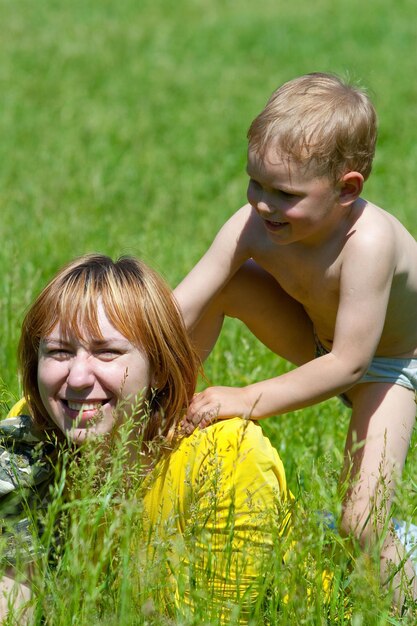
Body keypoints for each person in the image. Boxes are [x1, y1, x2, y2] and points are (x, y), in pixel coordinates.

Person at [175, 72, 417, 609]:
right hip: (318, 341)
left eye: (284, 193)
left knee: (361, 522)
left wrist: (244, 399)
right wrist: (117, 345)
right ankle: (166, 407)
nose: (263, 204)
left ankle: (402, 604)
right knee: (229, 283)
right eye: (255, 183)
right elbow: (183, 303)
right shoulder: (256, 223)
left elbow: (352, 365)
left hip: (389, 366)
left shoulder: (369, 242)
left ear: (347, 190)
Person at [0, 254, 291, 624]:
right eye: (59, 351)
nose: (76, 378)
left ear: (158, 368)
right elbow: (12, 598)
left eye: (107, 352)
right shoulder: (29, 432)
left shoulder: (227, 459)